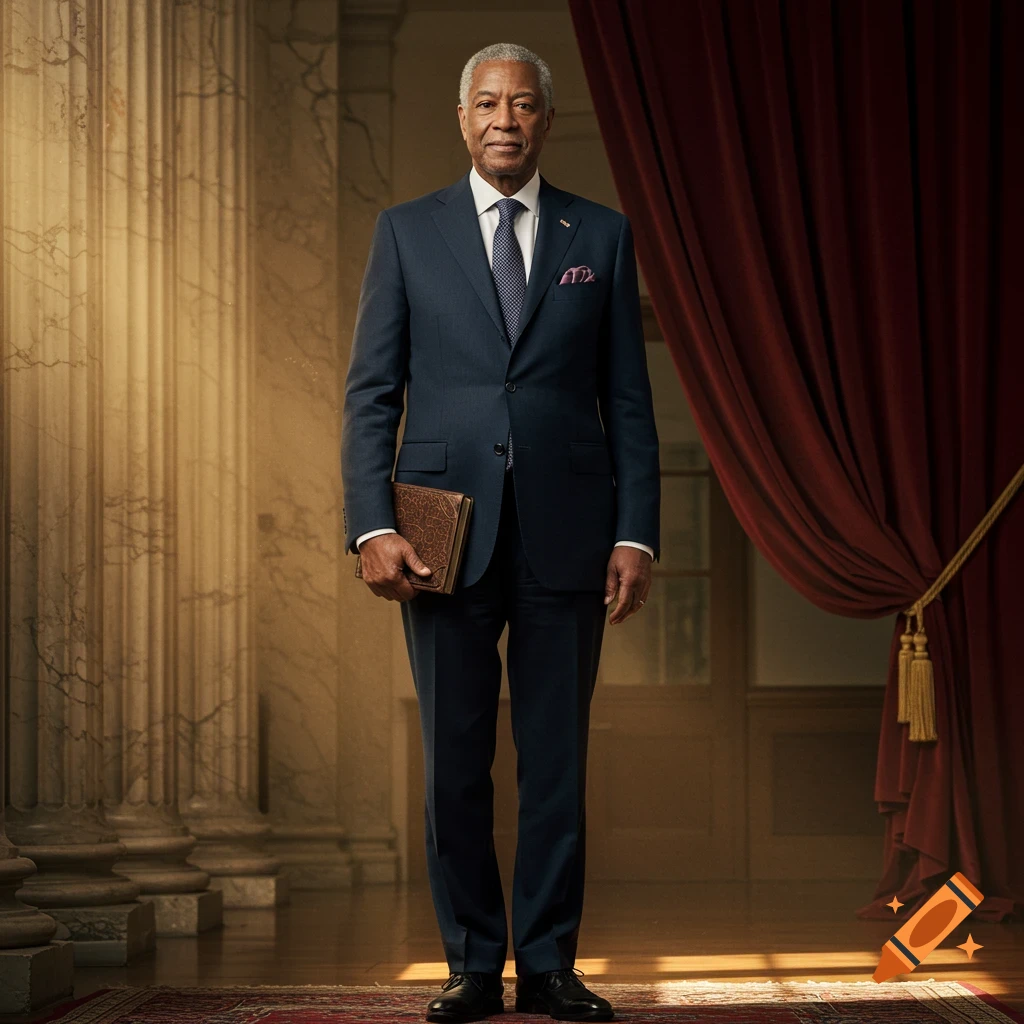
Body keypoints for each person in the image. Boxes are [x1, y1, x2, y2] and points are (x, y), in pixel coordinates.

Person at [341, 42, 660, 1023]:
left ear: (545, 121)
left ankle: (552, 964)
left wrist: (636, 533)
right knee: (454, 760)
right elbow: (370, 396)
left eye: (523, 104)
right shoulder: (405, 233)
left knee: (557, 762)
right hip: (443, 537)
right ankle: (474, 963)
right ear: (462, 116)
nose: (504, 120)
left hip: (568, 533)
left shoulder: (598, 236)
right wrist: (370, 526)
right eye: (487, 103)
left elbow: (628, 401)